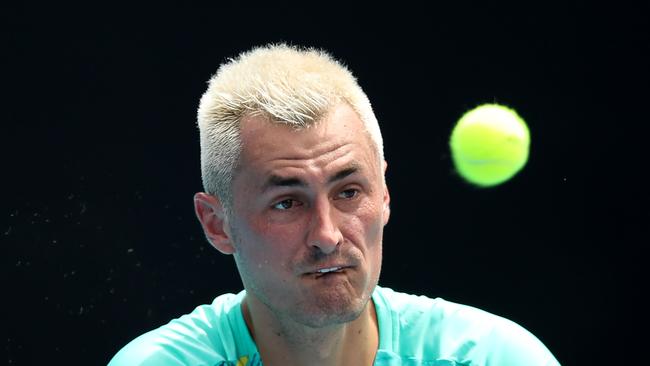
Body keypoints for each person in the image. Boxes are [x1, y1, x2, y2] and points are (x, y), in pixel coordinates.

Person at [109, 44, 560, 366]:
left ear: (383, 194)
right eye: (287, 203)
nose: (327, 235)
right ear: (216, 224)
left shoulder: (494, 358)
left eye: (348, 192)